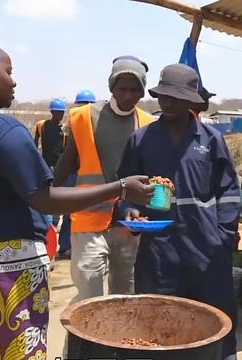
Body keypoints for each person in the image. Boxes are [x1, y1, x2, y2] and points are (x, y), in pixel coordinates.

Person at [0, 37, 154, 360]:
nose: (14, 81)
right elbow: (45, 199)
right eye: (8, 71)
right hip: (10, 270)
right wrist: (120, 187)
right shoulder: (5, 132)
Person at [118, 63, 241, 360]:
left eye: (176, 96)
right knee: (160, 321)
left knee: (215, 321)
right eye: (164, 96)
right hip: (160, 250)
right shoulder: (142, 139)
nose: (168, 102)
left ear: (191, 101)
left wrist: (223, 235)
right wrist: (132, 212)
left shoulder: (211, 139)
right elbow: (126, 190)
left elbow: (229, 191)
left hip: (206, 248)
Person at [53, 56, 154, 305]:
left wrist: (143, 211)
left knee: (125, 300)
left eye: (135, 90)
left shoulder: (148, 124)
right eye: (123, 88)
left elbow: (148, 174)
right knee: (88, 301)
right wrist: (47, 192)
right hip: (88, 219)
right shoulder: (83, 117)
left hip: (128, 225)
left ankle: (117, 346)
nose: (129, 95)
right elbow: (67, 162)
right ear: (111, 87)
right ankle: (81, 346)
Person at [57, 90, 97, 259]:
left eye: (88, 104)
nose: (85, 108)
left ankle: (75, 247)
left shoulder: (95, 127)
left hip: (88, 175)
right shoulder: (70, 128)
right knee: (69, 213)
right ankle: (66, 246)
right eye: (83, 104)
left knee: (84, 214)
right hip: (73, 175)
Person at [34, 98, 67, 169]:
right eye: (58, 112)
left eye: (62, 112)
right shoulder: (41, 125)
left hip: (59, 165)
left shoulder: (64, 129)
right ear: (52, 112)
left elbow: (67, 148)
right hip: (45, 164)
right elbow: (35, 141)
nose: (61, 115)